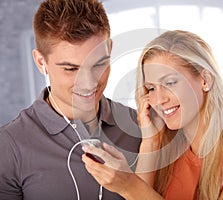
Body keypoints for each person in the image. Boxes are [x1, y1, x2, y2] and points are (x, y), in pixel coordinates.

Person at [82, 30, 223, 200]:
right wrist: (150, 142)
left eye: (170, 83)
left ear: (205, 79)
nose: (159, 99)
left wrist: (129, 186)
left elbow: (137, 193)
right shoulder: (164, 152)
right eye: (151, 89)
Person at [0, 0, 141, 200]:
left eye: (98, 64)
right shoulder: (8, 146)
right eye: (71, 69)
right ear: (41, 62)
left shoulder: (140, 127)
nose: (88, 82)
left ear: (110, 49)